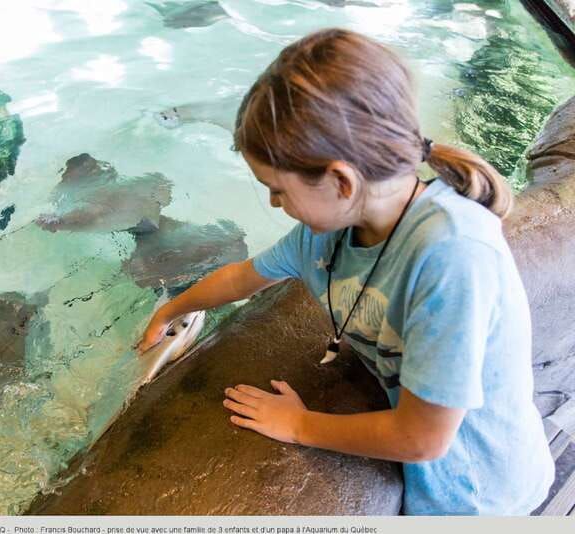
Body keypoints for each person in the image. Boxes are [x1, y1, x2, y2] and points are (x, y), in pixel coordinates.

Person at [136, 28, 554, 515]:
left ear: (340, 180)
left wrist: (298, 425)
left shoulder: (454, 256)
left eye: (277, 189)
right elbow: (242, 277)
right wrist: (174, 308)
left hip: (481, 494)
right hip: (435, 481)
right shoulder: (327, 232)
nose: (273, 203)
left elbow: (422, 439)